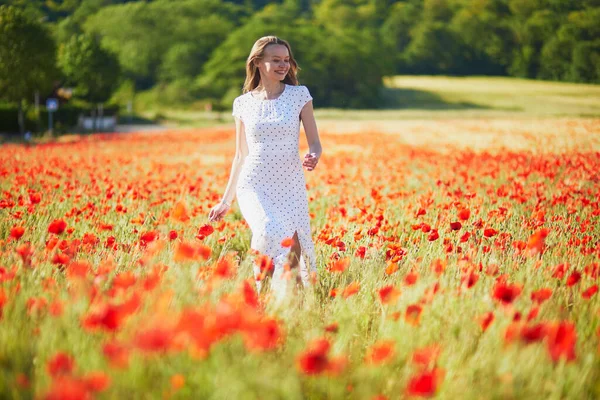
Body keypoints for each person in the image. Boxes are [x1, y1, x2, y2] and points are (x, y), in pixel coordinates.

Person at [208, 36, 322, 299]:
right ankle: (263, 300)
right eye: (276, 60)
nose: (284, 65)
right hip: (254, 183)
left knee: (292, 249)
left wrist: (313, 155)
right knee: (266, 230)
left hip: (290, 183)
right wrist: (226, 201)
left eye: (286, 60)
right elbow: (240, 155)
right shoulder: (243, 103)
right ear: (258, 62)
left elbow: (315, 143)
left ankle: (291, 306)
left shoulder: (299, 96)